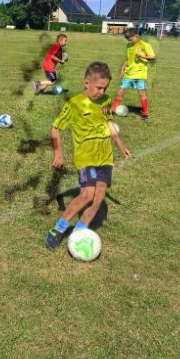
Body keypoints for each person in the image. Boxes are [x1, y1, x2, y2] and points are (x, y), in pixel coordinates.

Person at [45, 62, 131, 250]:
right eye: (99, 87)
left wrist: (121, 146)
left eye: (105, 88)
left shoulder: (106, 101)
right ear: (86, 82)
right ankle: (58, 229)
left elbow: (109, 123)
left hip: (105, 157)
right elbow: (55, 129)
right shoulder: (74, 104)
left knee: (99, 197)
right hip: (86, 158)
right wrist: (58, 154)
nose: (102, 91)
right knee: (87, 195)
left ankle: (78, 233)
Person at [111, 27, 156, 121]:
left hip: (140, 74)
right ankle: (113, 110)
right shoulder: (128, 46)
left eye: (131, 39)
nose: (129, 41)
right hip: (129, 73)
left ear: (136, 36)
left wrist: (142, 56)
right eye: (128, 40)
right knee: (121, 91)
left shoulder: (144, 45)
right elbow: (128, 59)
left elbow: (153, 57)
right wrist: (123, 67)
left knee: (141, 93)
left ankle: (145, 113)